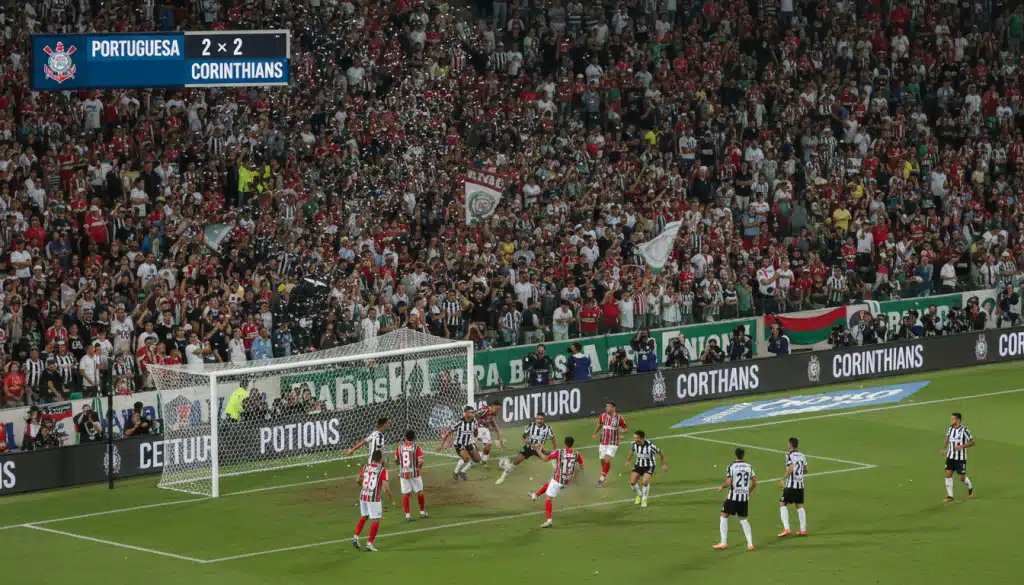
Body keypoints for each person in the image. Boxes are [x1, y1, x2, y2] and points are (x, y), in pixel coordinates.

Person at [530, 436, 584, 528]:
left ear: (565, 443)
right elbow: (582, 466)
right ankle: (535, 495)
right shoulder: (577, 453)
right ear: (572, 444)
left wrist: (538, 451)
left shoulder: (559, 452)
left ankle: (549, 521)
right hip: (568, 480)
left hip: (558, 480)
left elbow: (545, 459)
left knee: (548, 497)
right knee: (550, 482)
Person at [352, 450, 395, 552]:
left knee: (364, 516)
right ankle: (369, 544)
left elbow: (357, 480)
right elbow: (386, 487)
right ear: (380, 458)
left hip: (363, 495)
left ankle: (355, 537)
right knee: (376, 520)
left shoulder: (365, 467)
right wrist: (392, 499)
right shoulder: (382, 470)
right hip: (374, 498)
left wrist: (363, 487)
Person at [496, 414, 557, 485]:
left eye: (541, 419)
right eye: (538, 419)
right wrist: (529, 443)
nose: (539, 421)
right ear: (536, 419)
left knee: (552, 459)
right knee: (514, 463)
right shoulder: (530, 425)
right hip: (528, 447)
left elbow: (553, 439)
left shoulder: (548, 428)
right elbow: (523, 437)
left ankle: (557, 479)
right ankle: (502, 478)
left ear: (543, 420)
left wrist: (555, 450)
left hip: (539, 449)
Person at [715, 447, 756, 551]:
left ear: (736, 455)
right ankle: (750, 544)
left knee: (723, 515)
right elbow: (754, 483)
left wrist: (722, 487)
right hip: (744, 497)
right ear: (743, 455)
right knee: (743, 520)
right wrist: (749, 491)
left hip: (733, 496)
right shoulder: (749, 467)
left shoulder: (731, 466)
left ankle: (723, 542)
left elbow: (729, 482)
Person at [624, 430, 666, 508]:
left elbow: (661, 453)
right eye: (634, 438)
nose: (635, 439)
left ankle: (644, 499)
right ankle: (639, 495)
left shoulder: (650, 446)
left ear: (641, 438)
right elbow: (631, 452)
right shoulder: (634, 444)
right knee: (632, 482)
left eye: (636, 438)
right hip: (638, 465)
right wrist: (628, 461)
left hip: (649, 466)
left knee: (645, 482)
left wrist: (663, 464)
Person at [777, 437, 808, 537]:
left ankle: (786, 529)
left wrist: (783, 478)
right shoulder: (802, 455)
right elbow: (806, 469)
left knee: (782, 503)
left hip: (791, 485)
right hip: (800, 484)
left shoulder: (789, 455)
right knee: (799, 506)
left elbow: (791, 468)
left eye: (788, 443)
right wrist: (799, 474)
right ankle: (803, 530)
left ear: (790, 444)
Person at [395, 430, 427, 521]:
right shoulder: (416, 447)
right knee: (420, 492)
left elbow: (396, 459)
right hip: (415, 473)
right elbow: (421, 461)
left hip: (404, 473)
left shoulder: (400, 447)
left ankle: (407, 515)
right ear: (414, 437)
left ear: (405, 437)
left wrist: (400, 465)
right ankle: (422, 512)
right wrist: (418, 468)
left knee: (406, 494)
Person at [942, 412, 975, 502]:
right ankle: (950, 496)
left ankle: (970, 487)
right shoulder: (950, 428)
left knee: (962, 478)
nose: (951, 420)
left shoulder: (964, 430)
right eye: (951, 418)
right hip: (950, 456)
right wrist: (944, 449)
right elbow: (947, 438)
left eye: (953, 419)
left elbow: (972, 442)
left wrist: (962, 446)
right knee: (948, 475)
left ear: (958, 420)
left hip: (961, 458)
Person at [593, 402, 628, 486]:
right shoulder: (602, 416)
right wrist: (595, 433)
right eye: (606, 407)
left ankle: (602, 478)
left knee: (607, 459)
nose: (607, 408)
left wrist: (622, 431)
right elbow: (599, 424)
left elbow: (625, 428)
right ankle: (604, 473)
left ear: (613, 408)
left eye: (609, 407)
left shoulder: (619, 418)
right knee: (602, 459)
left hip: (613, 442)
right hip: (603, 441)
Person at [444, 406, 482, 481]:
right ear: (466, 413)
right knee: (466, 458)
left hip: (469, 443)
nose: (473, 414)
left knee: (477, 459)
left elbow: (474, 433)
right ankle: (456, 472)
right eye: (471, 412)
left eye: (473, 412)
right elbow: (450, 431)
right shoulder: (460, 422)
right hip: (460, 444)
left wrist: (474, 442)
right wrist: (441, 443)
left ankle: (462, 472)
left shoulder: (474, 421)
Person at [473, 400, 504, 466]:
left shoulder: (491, 413)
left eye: (499, 409)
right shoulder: (484, 410)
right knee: (480, 446)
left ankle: (483, 461)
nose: (498, 411)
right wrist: (473, 428)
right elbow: (473, 414)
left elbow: (492, 422)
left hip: (484, 429)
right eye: (497, 408)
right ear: (492, 406)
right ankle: (477, 456)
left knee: (488, 446)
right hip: (478, 428)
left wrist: (498, 431)